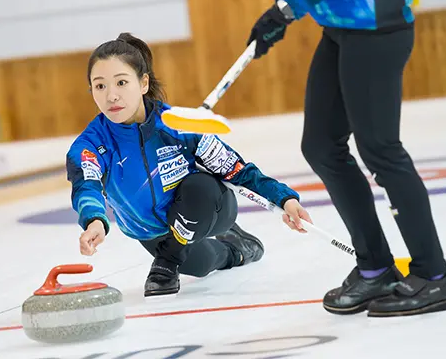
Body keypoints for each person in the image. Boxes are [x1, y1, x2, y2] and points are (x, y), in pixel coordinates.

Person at [246, 0, 446, 317]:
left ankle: (434, 276)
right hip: (341, 25)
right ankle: (376, 267)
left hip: (375, 26)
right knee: (321, 146)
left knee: (380, 149)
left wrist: (288, 8)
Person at [66, 33, 311, 297]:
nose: (111, 96)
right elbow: (86, 186)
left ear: (143, 83)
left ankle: (168, 261)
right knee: (202, 265)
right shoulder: (90, 145)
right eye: (100, 86)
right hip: (151, 230)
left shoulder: (178, 126)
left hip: (209, 206)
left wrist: (284, 198)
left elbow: (236, 170)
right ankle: (238, 248)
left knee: (198, 189)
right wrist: (95, 222)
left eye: (122, 83)